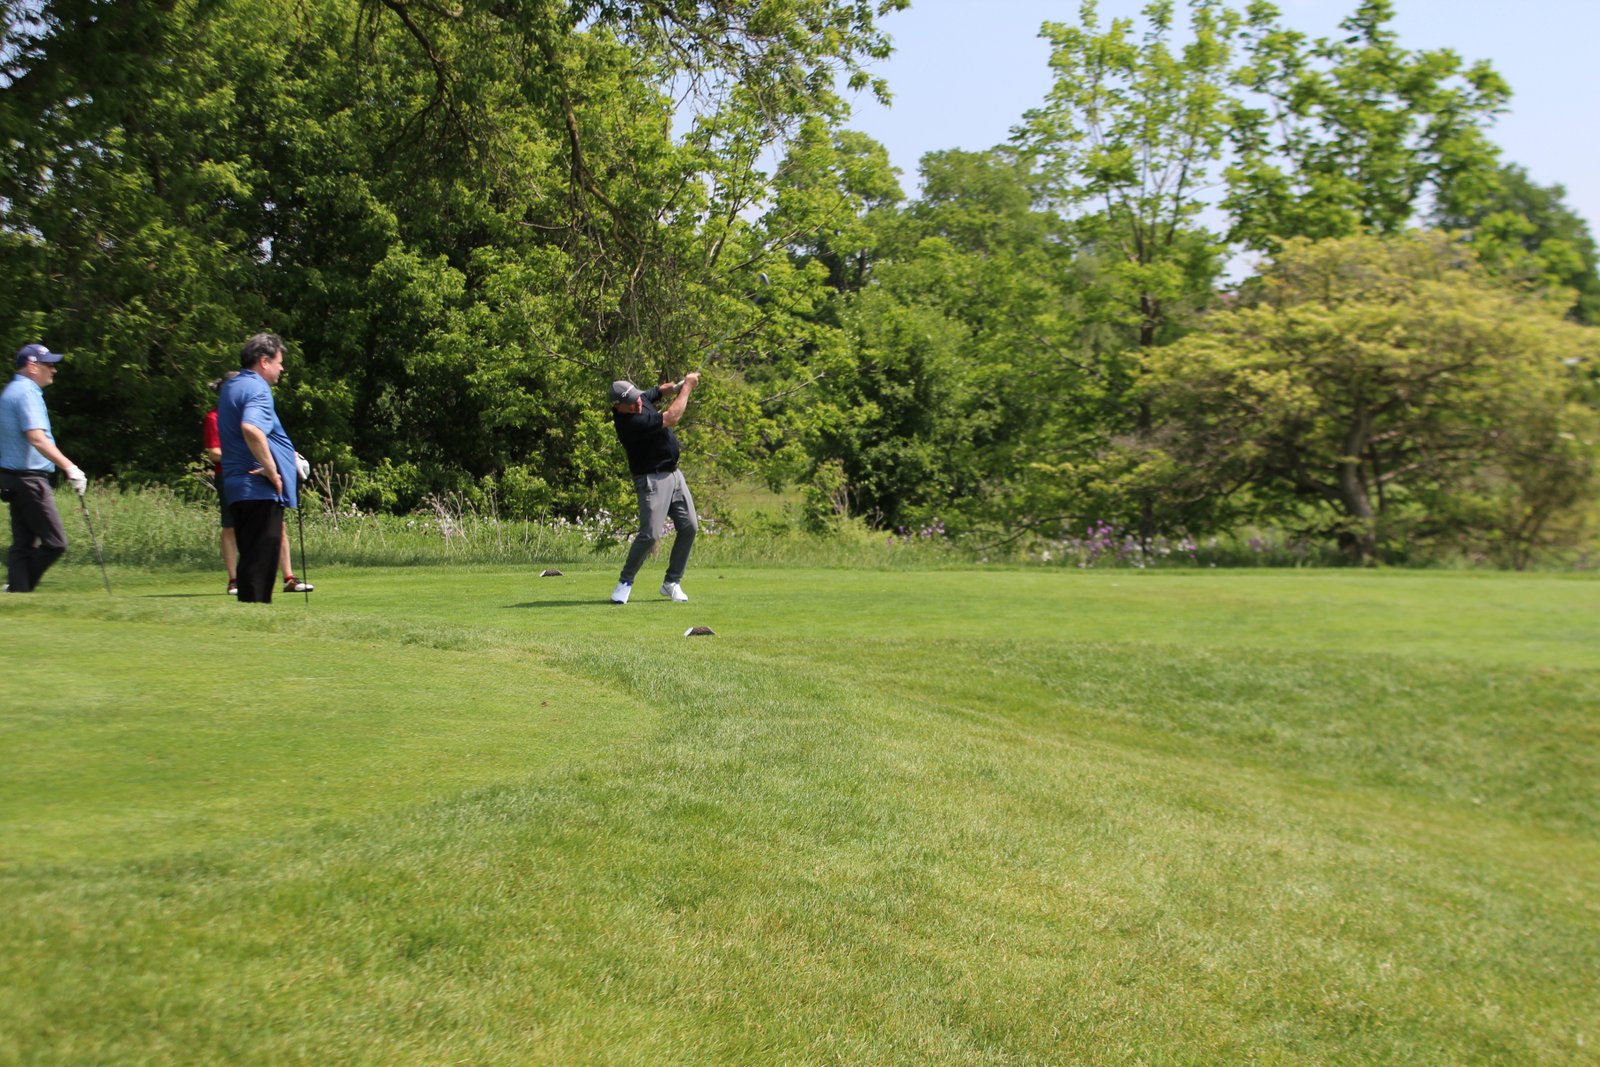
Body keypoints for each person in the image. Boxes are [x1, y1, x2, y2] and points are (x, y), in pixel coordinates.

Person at [217, 333, 307, 603]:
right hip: (257, 488)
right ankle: (255, 615)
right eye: (279, 362)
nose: (282, 368)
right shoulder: (258, 388)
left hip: (237, 487)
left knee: (250, 560)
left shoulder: (232, 386)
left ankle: (250, 612)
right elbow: (251, 428)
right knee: (261, 562)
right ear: (264, 361)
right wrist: (271, 470)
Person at [0, 343, 86, 593]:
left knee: (22, 544)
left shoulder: (11, 390)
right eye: (48, 365)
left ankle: (18, 591)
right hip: (30, 479)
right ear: (32, 366)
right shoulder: (27, 392)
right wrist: (70, 467)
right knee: (55, 542)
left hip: (12, 478)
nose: (53, 370)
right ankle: (18, 587)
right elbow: (36, 438)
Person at [608, 372, 700, 604]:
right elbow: (672, 417)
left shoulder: (637, 399)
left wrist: (676, 386)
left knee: (689, 527)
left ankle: (672, 582)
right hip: (651, 479)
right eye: (632, 403)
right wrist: (687, 388)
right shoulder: (629, 424)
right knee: (650, 534)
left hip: (674, 474)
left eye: (637, 398)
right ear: (619, 406)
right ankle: (625, 582)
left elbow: (657, 392)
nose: (638, 403)